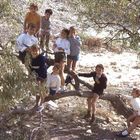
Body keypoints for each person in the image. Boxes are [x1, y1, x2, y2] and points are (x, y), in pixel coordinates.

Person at [30, 45, 47, 111]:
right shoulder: (31, 58)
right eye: (33, 51)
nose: (34, 52)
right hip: (35, 77)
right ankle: (37, 103)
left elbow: (41, 68)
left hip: (42, 76)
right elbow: (31, 68)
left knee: (42, 90)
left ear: (39, 50)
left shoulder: (42, 58)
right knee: (37, 91)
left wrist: (38, 78)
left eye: (36, 51)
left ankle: (41, 104)